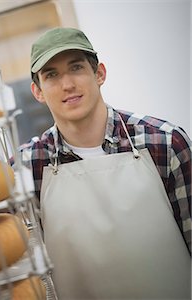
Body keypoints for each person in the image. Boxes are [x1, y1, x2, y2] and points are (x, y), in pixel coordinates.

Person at [18, 27, 191, 299]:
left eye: (76, 68)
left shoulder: (165, 143)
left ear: (99, 74)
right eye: (51, 75)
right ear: (37, 91)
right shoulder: (27, 167)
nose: (67, 85)